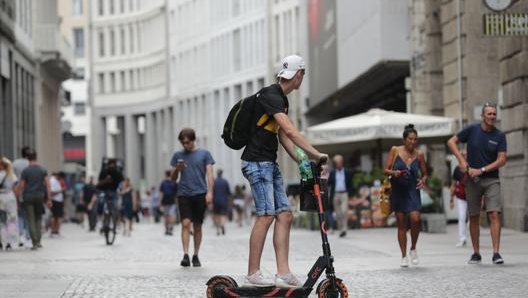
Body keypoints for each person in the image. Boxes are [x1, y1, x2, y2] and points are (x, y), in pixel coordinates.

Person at [240, 54, 328, 287]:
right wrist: (316, 154)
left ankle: (283, 273)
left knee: (285, 215)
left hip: (269, 163)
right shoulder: (271, 95)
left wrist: (302, 161)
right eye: (302, 75)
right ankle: (252, 273)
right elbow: (290, 131)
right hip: (256, 163)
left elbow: (282, 137)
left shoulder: (282, 100)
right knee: (267, 215)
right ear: (299, 74)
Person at [447, 103, 507, 265]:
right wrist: (462, 161)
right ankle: (476, 253)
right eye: (489, 114)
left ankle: (496, 253)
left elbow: (501, 160)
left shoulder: (500, 136)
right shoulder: (472, 130)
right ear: (483, 116)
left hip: (491, 179)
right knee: (473, 216)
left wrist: (481, 169)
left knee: (494, 214)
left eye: (494, 114)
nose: (492, 117)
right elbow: (451, 142)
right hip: (472, 181)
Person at [383, 124, 428, 267]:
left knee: (415, 219)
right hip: (398, 190)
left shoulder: (419, 154)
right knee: (401, 223)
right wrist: (394, 173)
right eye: (410, 139)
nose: (413, 142)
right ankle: (403, 256)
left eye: (415, 139)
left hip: (412, 190)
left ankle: (413, 248)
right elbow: (386, 169)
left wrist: (423, 181)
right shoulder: (395, 150)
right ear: (404, 139)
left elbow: (425, 173)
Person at [170, 127, 215, 267]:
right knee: (185, 223)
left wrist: (210, 192)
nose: (185, 145)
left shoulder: (205, 154)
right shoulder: (178, 155)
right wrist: (177, 169)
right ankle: (185, 255)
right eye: (183, 142)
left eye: (187, 142)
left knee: (197, 225)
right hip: (184, 193)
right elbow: (172, 178)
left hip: (200, 193)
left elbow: (210, 174)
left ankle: (196, 254)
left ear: (193, 140)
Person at [15, 149, 52, 250]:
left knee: (30, 219)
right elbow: (48, 185)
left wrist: (17, 198)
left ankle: (34, 242)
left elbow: (21, 186)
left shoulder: (25, 171)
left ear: (27, 159)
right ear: (36, 157)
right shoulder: (42, 169)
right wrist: (49, 199)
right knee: (38, 218)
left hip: (28, 197)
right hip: (40, 196)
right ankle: (39, 241)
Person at [328, 154, 354, 237]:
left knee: (344, 211)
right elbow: (329, 184)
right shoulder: (332, 173)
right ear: (335, 164)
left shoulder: (347, 172)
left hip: (344, 193)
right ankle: (340, 230)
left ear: (342, 162)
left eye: (340, 162)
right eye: (337, 163)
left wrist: (350, 194)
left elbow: (350, 183)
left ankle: (344, 229)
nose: (338, 164)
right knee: (338, 213)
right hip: (335, 194)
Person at [12, 146, 30, 247]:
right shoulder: (31, 164)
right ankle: (28, 236)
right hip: (29, 191)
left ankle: (21, 235)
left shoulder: (15, 163)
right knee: (29, 215)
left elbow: (13, 179)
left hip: (18, 190)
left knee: (20, 215)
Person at [450, 149, 468, 247]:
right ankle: (462, 238)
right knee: (461, 217)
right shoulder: (457, 169)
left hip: (472, 196)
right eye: (462, 155)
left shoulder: (472, 167)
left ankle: (473, 236)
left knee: (472, 218)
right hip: (461, 197)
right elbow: (453, 185)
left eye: (465, 155)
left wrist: (481, 198)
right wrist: (451, 200)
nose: (463, 157)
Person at [0, 157, 19, 250]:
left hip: (0, 198)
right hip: (10, 197)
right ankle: (10, 242)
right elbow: (15, 188)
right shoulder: (12, 175)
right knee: (12, 219)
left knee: (1, 220)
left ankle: (1, 241)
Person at [159, 170, 178, 236]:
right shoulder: (174, 183)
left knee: (166, 215)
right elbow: (176, 194)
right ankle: (171, 227)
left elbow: (162, 193)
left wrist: (160, 202)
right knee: (172, 214)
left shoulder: (163, 183)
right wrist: (177, 202)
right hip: (172, 201)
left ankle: (167, 228)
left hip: (165, 201)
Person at [212, 169, 230, 235]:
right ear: (222, 173)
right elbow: (228, 193)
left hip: (215, 200)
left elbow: (212, 191)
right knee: (223, 215)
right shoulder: (225, 182)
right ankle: (222, 224)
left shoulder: (214, 181)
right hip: (224, 201)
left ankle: (218, 229)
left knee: (216, 215)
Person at [49, 172, 65, 237]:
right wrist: (60, 191)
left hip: (59, 201)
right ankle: (54, 231)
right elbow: (51, 192)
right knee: (55, 216)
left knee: (58, 217)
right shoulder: (52, 181)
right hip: (55, 201)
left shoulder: (56, 181)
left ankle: (56, 231)